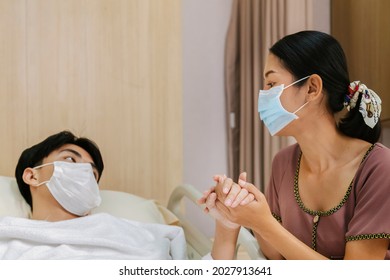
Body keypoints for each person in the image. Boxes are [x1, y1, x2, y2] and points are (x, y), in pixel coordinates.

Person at [200, 30, 390, 260]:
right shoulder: (284, 163)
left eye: (272, 83)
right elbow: (276, 257)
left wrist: (263, 223)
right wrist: (236, 212)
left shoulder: (379, 167)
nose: (263, 96)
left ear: (312, 88)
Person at [0, 130, 186, 259]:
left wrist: (217, 223)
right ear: (32, 176)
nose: (84, 173)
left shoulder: (133, 234)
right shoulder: (9, 236)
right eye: (70, 159)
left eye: (92, 173)